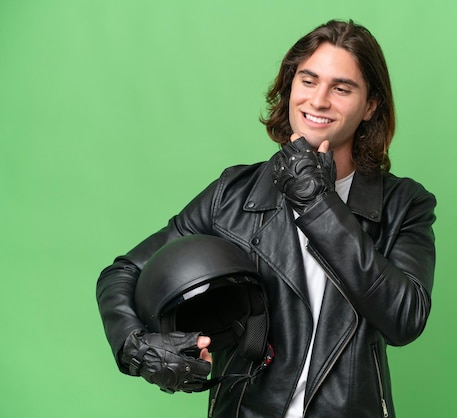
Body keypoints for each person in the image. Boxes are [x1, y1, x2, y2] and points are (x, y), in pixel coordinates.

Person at [96, 19, 436, 418]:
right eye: (308, 81)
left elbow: (404, 318)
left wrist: (317, 204)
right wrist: (135, 345)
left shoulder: (403, 204)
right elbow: (123, 272)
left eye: (341, 88)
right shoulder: (233, 193)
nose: (319, 100)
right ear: (291, 86)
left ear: (371, 105)